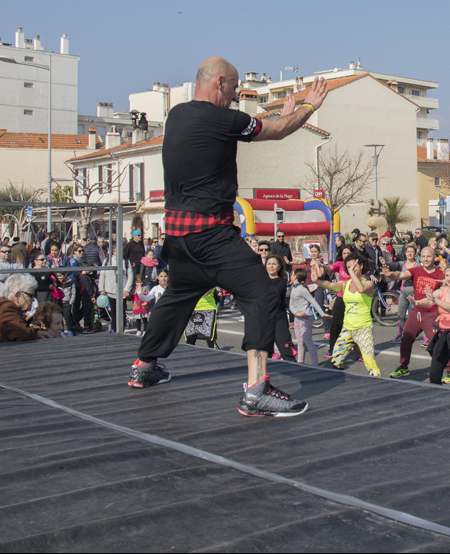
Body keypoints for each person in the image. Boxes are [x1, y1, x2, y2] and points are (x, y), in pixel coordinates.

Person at [128, 59, 326, 418]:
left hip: (177, 237)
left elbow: (270, 123)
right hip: (210, 236)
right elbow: (278, 131)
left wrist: (282, 114)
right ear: (220, 83)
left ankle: (144, 364)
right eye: (234, 89)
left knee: (176, 298)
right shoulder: (223, 120)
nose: (236, 97)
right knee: (264, 291)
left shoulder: (177, 115)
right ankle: (256, 390)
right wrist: (310, 106)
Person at [315, 251, 381, 376]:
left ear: (361, 266)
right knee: (335, 361)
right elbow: (329, 284)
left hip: (363, 329)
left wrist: (351, 273)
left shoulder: (368, 284)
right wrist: (316, 281)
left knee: (370, 364)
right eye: (349, 267)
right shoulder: (345, 284)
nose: (352, 270)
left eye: (354, 267)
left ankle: (379, 384)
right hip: (347, 329)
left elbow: (361, 289)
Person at [384, 246, 445, 379]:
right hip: (415, 313)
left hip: (432, 314)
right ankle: (403, 367)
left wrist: (442, 313)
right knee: (406, 339)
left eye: (428, 256)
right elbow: (401, 275)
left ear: (434, 257)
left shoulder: (440, 275)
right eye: (423, 256)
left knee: (436, 344)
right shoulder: (416, 271)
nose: (426, 259)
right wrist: (391, 274)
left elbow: (445, 295)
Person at [0, 274, 52, 343]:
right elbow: (22, 334)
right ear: (17, 295)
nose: (33, 299)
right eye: (31, 295)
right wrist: (36, 333)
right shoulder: (7, 308)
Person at [289, 268, 320, 365]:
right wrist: (295, 312)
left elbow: (313, 302)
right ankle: (300, 361)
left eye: (292, 274)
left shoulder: (303, 289)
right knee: (299, 341)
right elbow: (291, 305)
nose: (291, 276)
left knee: (307, 340)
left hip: (306, 317)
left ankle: (315, 364)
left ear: (295, 277)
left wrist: (322, 314)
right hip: (297, 317)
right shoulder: (293, 288)